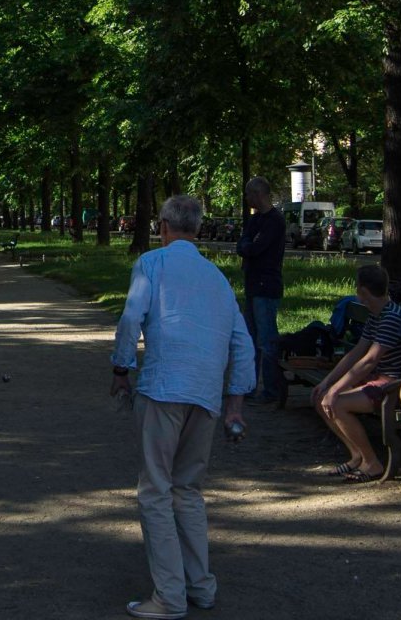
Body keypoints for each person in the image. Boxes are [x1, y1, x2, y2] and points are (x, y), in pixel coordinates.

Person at [111, 195, 253, 620]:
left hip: (163, 386)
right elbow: (242, 343)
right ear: (198, 229)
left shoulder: (151, 265)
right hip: (206, 394)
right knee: (187, 490)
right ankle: (200, 585)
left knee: (155, 490)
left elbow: (131, 318)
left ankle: (169, 597)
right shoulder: (218, 279)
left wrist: (121, 368)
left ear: (163, 226)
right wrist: (236, 403)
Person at [311, 264, 401, 482]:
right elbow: (357, 353)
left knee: (336, 403)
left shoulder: (391, 317)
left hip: (393, 385)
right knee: (321, 399)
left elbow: (369, 360)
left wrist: (335, 391)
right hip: (378, 379)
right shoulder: (377, 314)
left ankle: (372, 462)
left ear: (363, 291)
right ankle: (356, 455)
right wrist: (327, 383)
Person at [235, 176, 285, 403]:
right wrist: (247, 246)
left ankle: (272, 389)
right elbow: (243, 244)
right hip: (253, 284)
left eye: (248, 194)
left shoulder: (275, 221)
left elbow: (255, 248)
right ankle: (250, 386)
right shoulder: (254, 221)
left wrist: (248, 247)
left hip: (267, 285)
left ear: (258, 194)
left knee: (266, 339)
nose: (247, 199)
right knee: (251, 338)